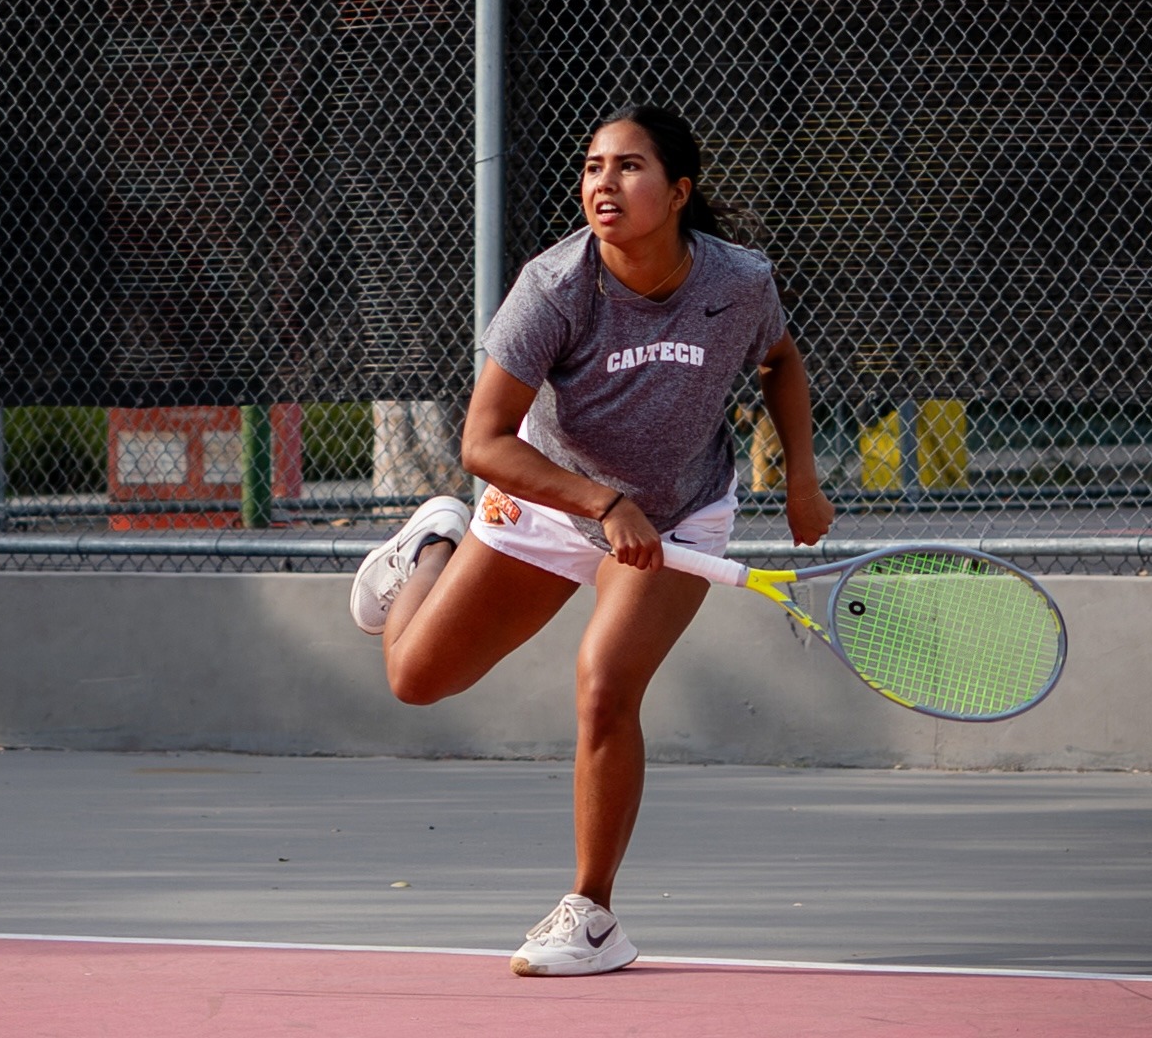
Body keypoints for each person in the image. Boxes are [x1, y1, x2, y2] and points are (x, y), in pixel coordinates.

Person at [348, 105, 835, 977]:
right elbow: (483, 442)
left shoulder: (738, 281)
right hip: (549, 499)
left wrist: (801, 476)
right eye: (592, 167)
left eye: (629, 168)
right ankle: (431, 544)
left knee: (606, 686)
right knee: (415, 678)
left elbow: (780, 361)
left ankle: (593, 915)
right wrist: (603, 505)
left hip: (682, 510)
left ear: (679, 191)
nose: (603, 184)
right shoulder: (554, 285)